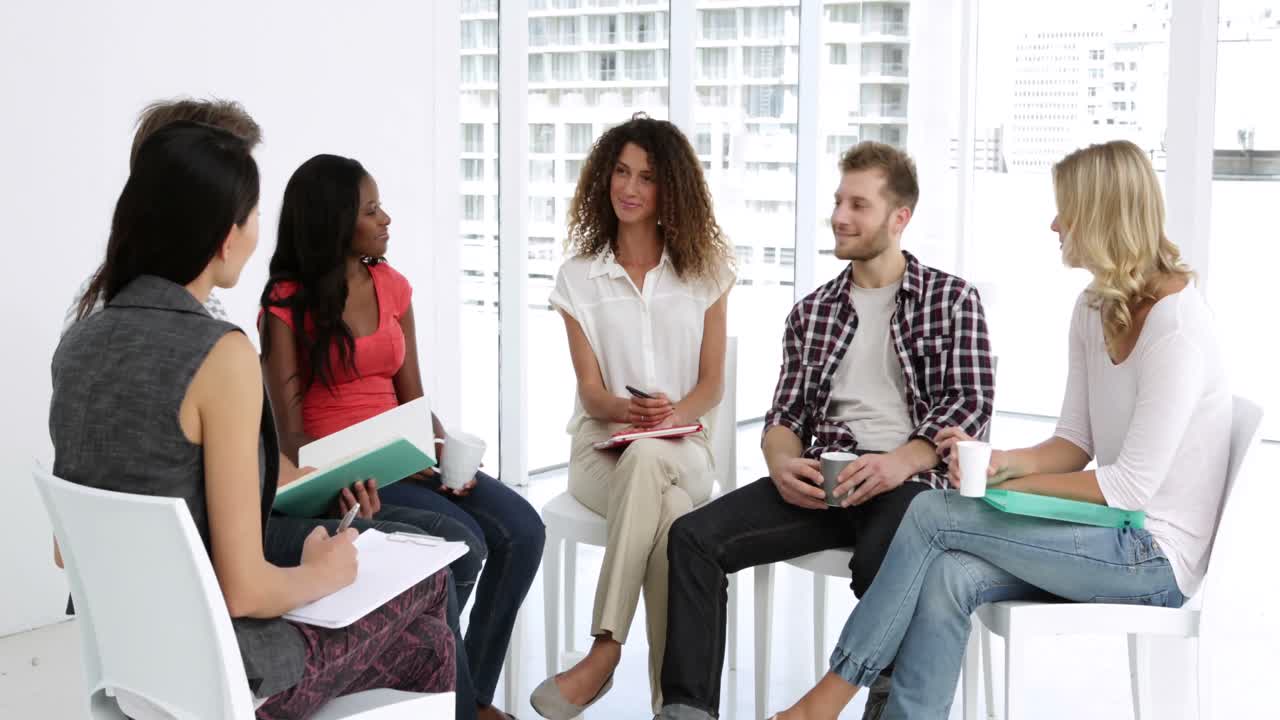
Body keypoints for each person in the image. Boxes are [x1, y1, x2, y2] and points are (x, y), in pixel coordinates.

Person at [766, 139, 1230, 720]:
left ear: (1104, 214)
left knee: (933, 513)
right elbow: (1073, 444)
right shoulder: (1094, 307)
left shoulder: (1177, 330)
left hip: (1151, 558)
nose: (1055, 223)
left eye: (1067, 209)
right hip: (1110, 533)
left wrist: (993, 492)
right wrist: (998, 461)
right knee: (946, 575)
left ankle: (823, 700)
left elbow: (1129, 490)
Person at [50, 122, 456, 720]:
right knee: (431, 583)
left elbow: (68, 552)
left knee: (428, 644)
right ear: (224, 235)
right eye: (254, 213)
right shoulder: (220, 353)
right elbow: (245, 588)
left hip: (129, 666)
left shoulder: (78, 342)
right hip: (227, 676)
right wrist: (325, 571)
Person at [657, 141, 995, 720]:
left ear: (899, 217)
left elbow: (969, 407)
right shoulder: (813, 311)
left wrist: (898, 462)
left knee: (883, 558)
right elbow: (785, 415)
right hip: (824, 476)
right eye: (839, 200)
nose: (840, 215)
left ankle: (887, 698)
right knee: (692, 538)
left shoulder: (952, 299)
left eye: (859, 205)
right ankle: (686, 711)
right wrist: (780, 463)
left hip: (907, 486)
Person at [259, 153, 544, 720]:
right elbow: (291, 436)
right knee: (466, 541)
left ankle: (471, 697)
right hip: (345, 474)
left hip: (407, 457)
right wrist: (370, 459)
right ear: (336, 223)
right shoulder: (285, 305)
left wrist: (442, 454)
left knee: (523, 529)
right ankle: (454, 700)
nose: (386, 219)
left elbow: (413, 398)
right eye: (371, 210)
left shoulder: (393, 286)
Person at [530, 114, 735, 719]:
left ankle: (604, 650)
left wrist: (672, 415)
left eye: (646, 176)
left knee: (653, 460)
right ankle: (676, 706)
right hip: (600, 451)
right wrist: (628, 410)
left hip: (686, 448)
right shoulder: (577, 279)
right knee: (670, 518)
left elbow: (712, 385)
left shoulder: (708, 272)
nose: (630, 187)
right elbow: (592, 395)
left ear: (668, 188)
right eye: (621, 171)